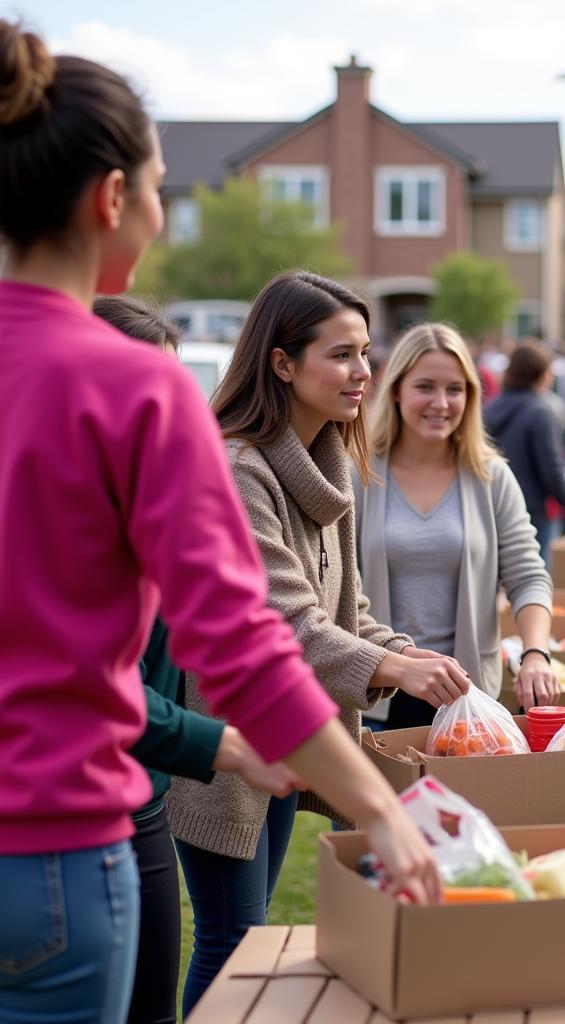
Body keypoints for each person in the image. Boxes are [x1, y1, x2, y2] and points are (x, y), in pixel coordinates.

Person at [0, 23, 440, 1024]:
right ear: (112, 200)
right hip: (53, 851)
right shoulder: (133, 385)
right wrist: (380, 810)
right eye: (157, 188)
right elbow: (239, 641)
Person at [166, 272, 470, 1014]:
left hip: (285, 743)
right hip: (226, 748)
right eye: (341, 355)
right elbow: (288, 623)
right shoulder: (241, 470)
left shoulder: (328, 464)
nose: (363, 372)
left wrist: (408, 652)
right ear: (281, 363)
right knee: (232, 939)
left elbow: (348, 609)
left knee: (248, 930)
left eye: (366, 352)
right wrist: (393, 666)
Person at [94, 296, 302, 1024]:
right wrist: (227, 745)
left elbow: (240, 629)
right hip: (63, 825)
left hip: (142, 798)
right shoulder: (62, 506)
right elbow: (96, 688)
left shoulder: (147, 498)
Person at [358, 322, 558, 727]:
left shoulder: (491, 478)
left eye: (455, 389)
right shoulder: (358, 475)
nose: (441, 402)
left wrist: (535, 653)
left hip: (468, 699)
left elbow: (528, 576)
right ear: (396, 389)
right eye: (425, 386)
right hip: (377, 699)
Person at [485, 341, 565, 561]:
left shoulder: (489, 409)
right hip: (532, 512)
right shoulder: (539, 413)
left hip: (492, 507)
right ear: (542, 375)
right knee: (532, 581)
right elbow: (552, 468)